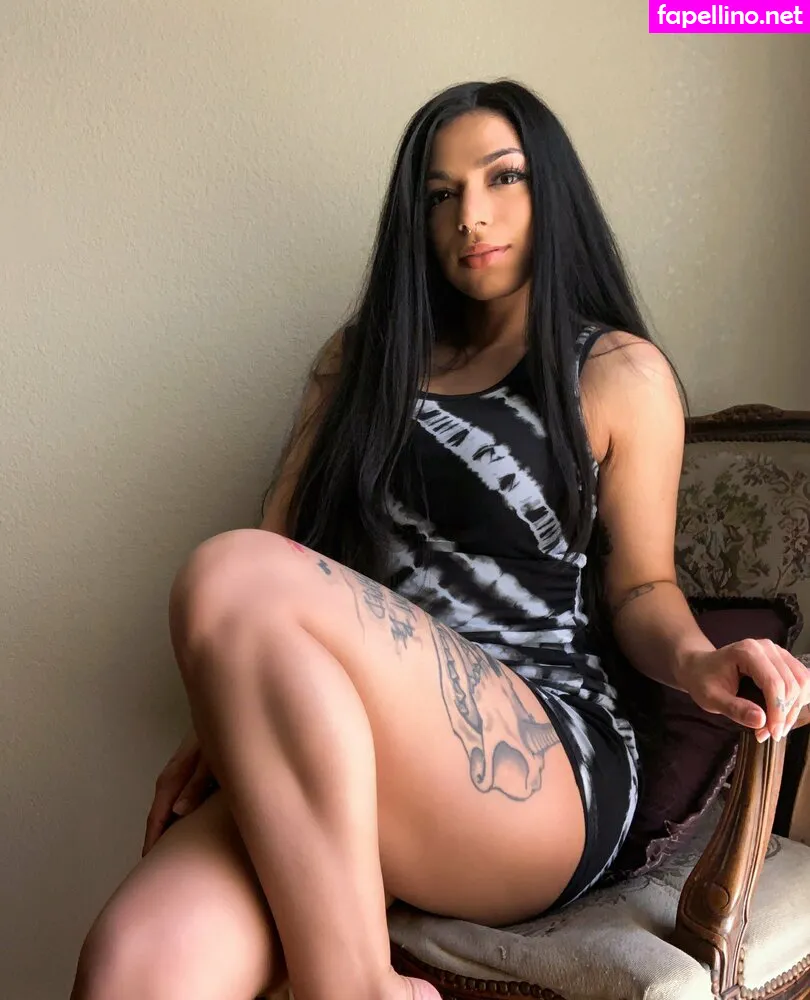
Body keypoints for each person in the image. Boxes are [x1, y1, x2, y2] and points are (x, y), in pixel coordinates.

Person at [70, 79, 810, 1000]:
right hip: (335, 745)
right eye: (441, 194)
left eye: (503, 178)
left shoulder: (616, 372)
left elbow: (640, 589)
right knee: (133, 969)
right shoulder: (360, 361)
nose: (471, 216)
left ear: (552, 190)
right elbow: (280, 560)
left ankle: (354, 987)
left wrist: (699, 662)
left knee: (227, 572)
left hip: (541, 765)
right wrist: (222, 720)